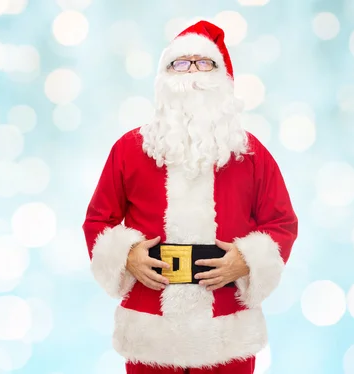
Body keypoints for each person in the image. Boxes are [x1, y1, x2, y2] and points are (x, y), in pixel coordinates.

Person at [82, 20, 298, 374]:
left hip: (227, 331)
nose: (192, 73)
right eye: (180, 64)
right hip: (150, 329)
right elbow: (97, 221)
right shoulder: (129, 150)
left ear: (223, 78)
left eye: (204, 63)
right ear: (163, 78)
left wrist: (247, 260)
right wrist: (127, 254)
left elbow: (282, 222)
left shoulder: (251, 153)